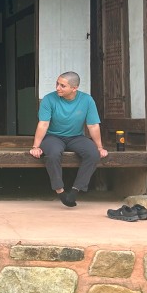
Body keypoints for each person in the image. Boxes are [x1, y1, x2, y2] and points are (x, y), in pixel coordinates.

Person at [29, 71, 109, 208]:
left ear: (74, 88)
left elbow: (93, 125)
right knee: (53, 154)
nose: (57, 88)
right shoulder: (49, 99)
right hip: (53, 137)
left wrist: (100, 147)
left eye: (62, 86)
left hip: (76, 137)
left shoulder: (87, 100)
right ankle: (60, 191)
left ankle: (75, 190)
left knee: (93, 154)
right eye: (57, 84)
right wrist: (36, 147)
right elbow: (43, 124)